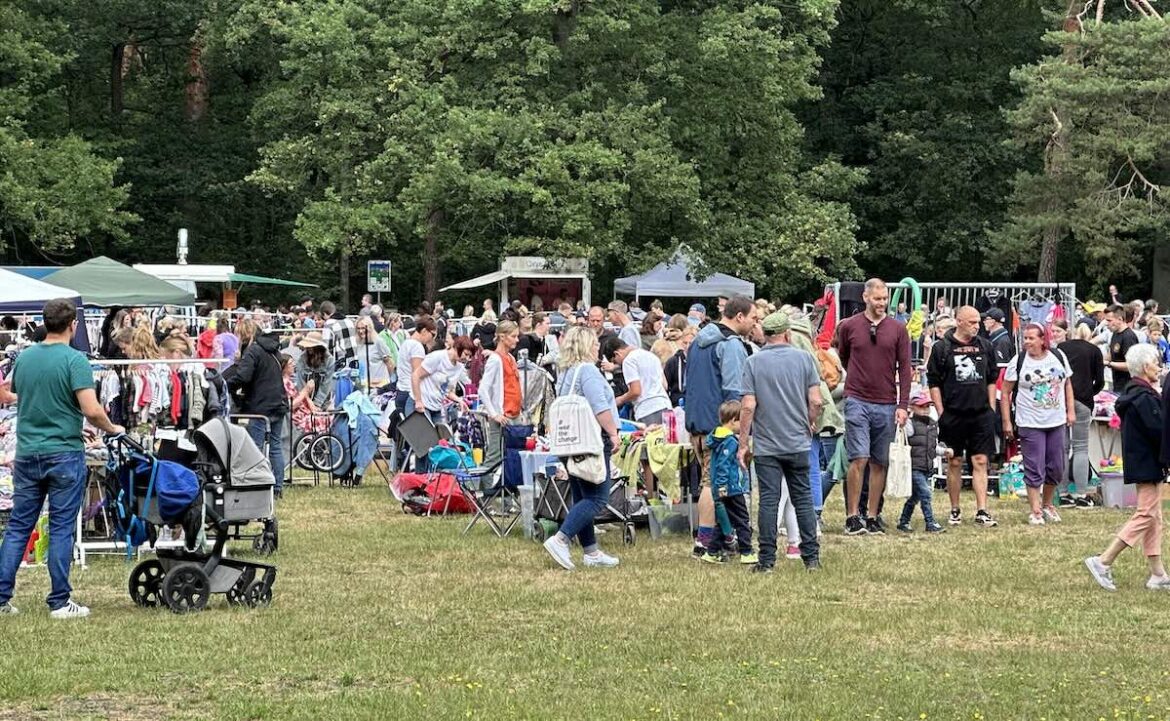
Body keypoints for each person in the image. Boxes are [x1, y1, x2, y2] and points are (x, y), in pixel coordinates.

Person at [0, 299, 125, 618]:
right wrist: (112, 428)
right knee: (61, 527)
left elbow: (12, 393)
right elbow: (92, 409)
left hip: (28, 453)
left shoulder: (25, 358)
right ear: (74, 325)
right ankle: (59, 601)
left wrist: (52, 408)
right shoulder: (75, 360)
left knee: (18, 526)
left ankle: (1, 598)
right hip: (63, 454)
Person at [739, 311, 824, 573]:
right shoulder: (804, 359)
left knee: (768, 500)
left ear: (764, 335)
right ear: (787, 333)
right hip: (798, 441)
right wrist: (809, 422)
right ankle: (811, 559)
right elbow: (817, 401)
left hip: (767, 444)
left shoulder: (753, 362)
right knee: (802, 498)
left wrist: (743, 442)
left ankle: (766, 561)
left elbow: (748, 406)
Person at [1085, 344, 1169, 591]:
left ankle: (1157, 574)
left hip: (1145, 462)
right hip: (1147, 463)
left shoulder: (1137, 394)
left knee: (1154, 517)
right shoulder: (1144, 398)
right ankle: (1103, 560)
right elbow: (1159, 431)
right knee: (1145, 514)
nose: (1159, 367)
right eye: (1156, 362)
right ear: (1145, 367)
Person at [541, 326, 622, 571]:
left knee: (581, 496)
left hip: (570, 442)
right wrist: (613, 433)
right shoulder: (589, 371)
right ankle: (561, 539)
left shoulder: (567, 372)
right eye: (595, 344)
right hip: (591, 441)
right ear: (587, 346)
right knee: (597, 498)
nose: (599, 347)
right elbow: (600, 407)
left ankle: (591, 551)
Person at [836, 279, 912, 535]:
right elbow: (845, 356)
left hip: (887, 401)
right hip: (857, 398)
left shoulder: (898, 329)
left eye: (884, 299)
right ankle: (852, 515)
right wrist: (856, 379)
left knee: (880, 461)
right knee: (859, 457)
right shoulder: (849, 326)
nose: (881, 303)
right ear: (865, 297)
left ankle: (872, 514)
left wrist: (903, 404)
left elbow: (906, 369)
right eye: (877, 299)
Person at [684, 296, 754, 556]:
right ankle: (704, 542)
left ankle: (724, 537)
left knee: (712, 483)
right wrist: (740, 432)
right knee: (713, 485)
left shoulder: (696, 343)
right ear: (739, 317)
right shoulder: (731, 345)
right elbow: (734, 392)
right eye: (752, 318)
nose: (754, 323)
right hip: (720, 426)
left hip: (696, 423)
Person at [926, 306, 999, 528]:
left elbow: (992, 379)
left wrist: (991, 408)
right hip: (953, 414)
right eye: (972, 322)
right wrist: (941, 411)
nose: (977, 326)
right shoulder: (942, 348)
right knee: (954, 461)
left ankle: (982, 510)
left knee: (981, 461)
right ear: (959, 321)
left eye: (979, 322)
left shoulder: (985, 346)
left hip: (980, 414)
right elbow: (934, 382)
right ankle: (955, 509)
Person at [1001, 323, 1075, 525]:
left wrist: (1071, 410)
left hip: (1056, 420)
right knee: (1034, 466)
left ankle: (1048, 504)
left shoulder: (1058, 357)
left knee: (1056, 467)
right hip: (1030, 421)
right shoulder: (1019, 361)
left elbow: (1067, 383)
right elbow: (1006, 392)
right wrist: (1007, 421)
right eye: (1025, 338)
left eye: (1031, 338)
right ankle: (1035, 510)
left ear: (1043, 339)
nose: (1027, 342)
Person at [225, 326, 289, 495]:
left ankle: (256, 485)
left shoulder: (254, 351)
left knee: (255, 447)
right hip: (278, 401)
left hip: (260, 406)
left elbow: (244, 377)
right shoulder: (275, 351)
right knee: (275, 446)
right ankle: (277, 487)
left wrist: (225, 384)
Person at [1054, 320, 1105, 492]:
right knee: (1081, 447)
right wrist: (1091, 392)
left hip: (1061, 401)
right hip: (1083, 401)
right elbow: (1100, 381)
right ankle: (1081, 492)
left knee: (1063, 447)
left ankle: (1061, 490)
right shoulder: (1095, 351)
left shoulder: (1062, 348)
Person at [703, 400, 756, 565]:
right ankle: (746, 551)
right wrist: (724, 486)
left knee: (725, 520)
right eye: (743, 421)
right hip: (731, 489)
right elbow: (723, 466)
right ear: (733, 420)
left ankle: (712, 552)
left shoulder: (718, 438)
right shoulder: (730, 442)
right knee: (742, 519)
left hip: (724, 488)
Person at [897, 392, 945, 533]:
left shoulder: (932, 425)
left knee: (914, 497)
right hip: (914, 467)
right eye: (921, 406)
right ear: (912, 407)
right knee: (925, 494)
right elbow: (904, 433)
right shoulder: (910, 425)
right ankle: (930, 522)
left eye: (927, 406)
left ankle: (903, 521)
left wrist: (944, 451)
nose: (925, 409)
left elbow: (932, 447)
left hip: (926, 467)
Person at [479, 322, 523, 470]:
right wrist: (494, 414)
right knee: (494, 455)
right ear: (502, 337)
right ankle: (486, 489)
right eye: (514, 336)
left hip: (514, 414)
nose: (517, 340)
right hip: (502, 415)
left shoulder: (510, 357)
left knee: (511, 455)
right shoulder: (495, 359)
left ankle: (506, 486)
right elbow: (483, 389)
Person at [602, 337, 671, 425]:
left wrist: (620, 399)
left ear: (617, 353)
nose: (618, 365)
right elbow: (664, 385)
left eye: (615, 362)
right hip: (665, 405)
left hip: (647, 410)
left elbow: (636, 391)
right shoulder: (651, 356)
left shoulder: (629, 361)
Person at [411, 335, 474, 425]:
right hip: (422, 404)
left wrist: (459, 400)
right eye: (466, 354)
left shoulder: (459, 366)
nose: (467, 359)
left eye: (470, 356)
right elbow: (416, 375)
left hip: (437, 407)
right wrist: (418, 401)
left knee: (442, 437)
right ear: (457, 348)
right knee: (425, 436)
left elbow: (447, 391)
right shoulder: (438, 357)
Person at [394, 316, 436, 417]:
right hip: (410, 394)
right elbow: (417, 375)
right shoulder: (417, 346)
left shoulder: (406, 342)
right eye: (433, 334)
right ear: (425, 330)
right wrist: (419, 399)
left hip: (401, 391)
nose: (433, 338)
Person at [294, 332, 336, 412]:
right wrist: (308, 403)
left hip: (322, 401)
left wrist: (317, 404)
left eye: (311, 346)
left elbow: (326, 385)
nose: (308, 348)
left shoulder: (329, 360)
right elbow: (300, 383)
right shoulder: (302, 359)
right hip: (304, 400)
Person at [1105, 304, 1140, 392]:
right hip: (1117, 384)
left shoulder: (1128, 337)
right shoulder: (1115, 334)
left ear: (1120, 319)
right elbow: (1111, 354)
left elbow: (1131, 365)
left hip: (1128, 387)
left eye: (1109, 320)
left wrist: (1109, 364)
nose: (1106, 324)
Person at [354, 317, 395, 388]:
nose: (360, 331)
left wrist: (387, 381)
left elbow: (390, 362)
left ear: (370, 328)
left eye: (363, 328)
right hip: (365, 384)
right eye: (358, 328)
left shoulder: (378, 341)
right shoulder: (359, 343)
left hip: (379, 385)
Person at [321, 300, 358, 372]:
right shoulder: (349, 321)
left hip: (340, 362)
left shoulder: (329, 323)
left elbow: (326, 346)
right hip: (354, 358)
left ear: (325, 313)